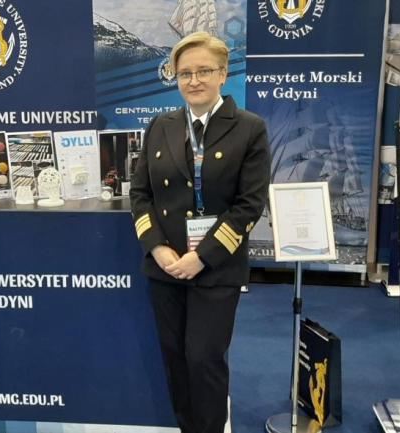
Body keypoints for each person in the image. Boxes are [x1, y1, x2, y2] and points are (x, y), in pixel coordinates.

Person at [129, 32, 271, 433]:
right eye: (185, 73)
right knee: (175, 359)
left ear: (223, 74)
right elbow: (140, 195)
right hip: (166, 267)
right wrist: (157, 248)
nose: (194, 81)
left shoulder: (249, 128)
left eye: (204, 71)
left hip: (215, 267)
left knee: (204, 359)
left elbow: (249, 205)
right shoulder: (160, 126)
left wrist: (201, 256)